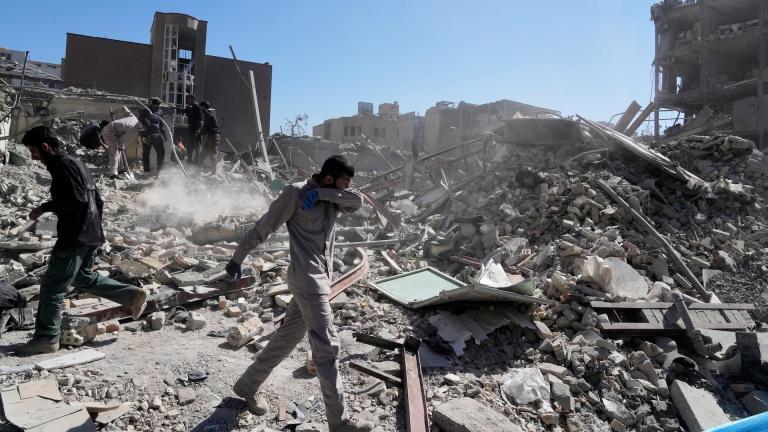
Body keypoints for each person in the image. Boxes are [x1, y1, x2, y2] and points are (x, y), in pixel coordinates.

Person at [225, 155, 373, 432]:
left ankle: (247, 385)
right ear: (329, 176)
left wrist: (324, 193)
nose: (347, 187)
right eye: (344, 181)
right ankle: (339, 424)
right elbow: (265, 225)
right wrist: (237, 257)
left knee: (287, 338)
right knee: (327, 350)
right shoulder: (295, 192)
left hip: (318, 281)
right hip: (307, 281)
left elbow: (358, 201)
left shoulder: (333, 197)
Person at [15, 126, 148, 356]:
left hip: (75, 236)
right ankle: (131, 295)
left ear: (45, 147)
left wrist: (44, 208)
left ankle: (46, 339)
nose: (32, 157)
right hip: (91, 233)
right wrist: (96, 229)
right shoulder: (77, 163)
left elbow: (74, 200)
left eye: (33, 151)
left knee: (52, 286)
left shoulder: (61, 166)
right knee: (82, 277)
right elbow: (98, 199)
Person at [101, 106, 140, 180]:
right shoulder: (134, 130)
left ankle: (120, 170)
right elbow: (122, 140)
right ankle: (113, 175)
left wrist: (114, 112)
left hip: (112, 130)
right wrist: (122, 147)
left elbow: (123, 107)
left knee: (119, 151)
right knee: (115, 153)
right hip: (110, 132)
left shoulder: (134, 117)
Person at [137, 107, 168, 175]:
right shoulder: (156, 111)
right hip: (151, 135)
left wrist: (164, 135)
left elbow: (161, 125)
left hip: (147, 135)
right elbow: (161, 126)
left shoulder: (157, 111)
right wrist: (164, 135)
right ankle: (154, 170)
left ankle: (150, 170)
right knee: (158, 152)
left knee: (147, 152)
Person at [199, 100, 221, 173]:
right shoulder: (211, 113)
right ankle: (200, 171)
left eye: (201, 108)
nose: (201, 110)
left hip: (212, 136)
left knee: (210, 154)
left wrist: (199, 133)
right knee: (206, 154)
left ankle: (213, 172)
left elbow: (205, 127)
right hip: (213, 136)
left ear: (204, 107)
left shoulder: (208, 114)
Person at [184, 94, 203, 164]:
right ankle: (190, 159)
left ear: (193, 99)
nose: (187, 100)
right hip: (191, 129)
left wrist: (198, 130)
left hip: (195, 130)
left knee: (196, 146)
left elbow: (199, 119)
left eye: (188, 99)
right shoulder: (191, 107)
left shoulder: (196, 106)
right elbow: (185, 111)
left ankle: (196, 161)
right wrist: (175, 108)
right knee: (190, 145)